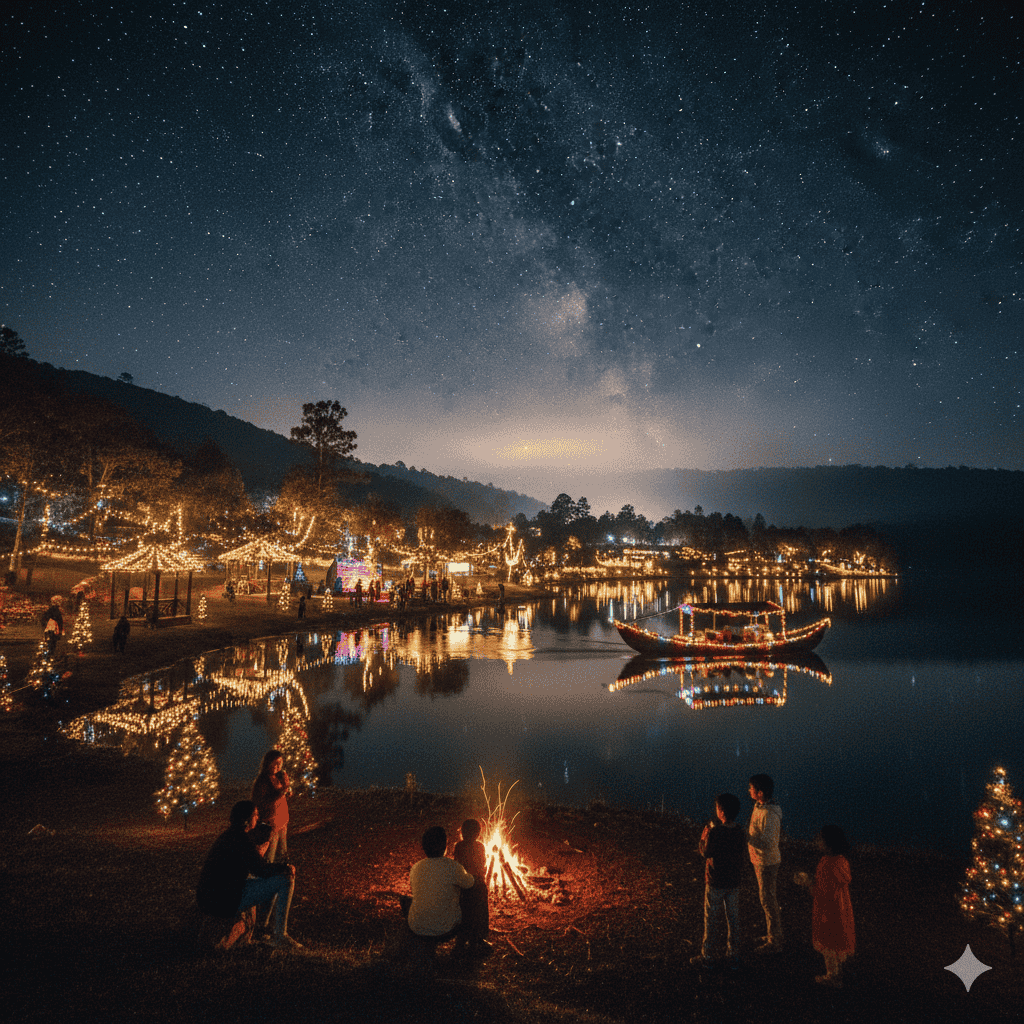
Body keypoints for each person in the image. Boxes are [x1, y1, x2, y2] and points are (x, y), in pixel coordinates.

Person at [196, 800, 300, 949]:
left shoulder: (230, 835)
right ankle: (280, 935)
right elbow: (261, 870)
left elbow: (254, 867)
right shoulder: (241, 839)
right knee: (285, 880)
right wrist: (285, 867)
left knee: (267, 881)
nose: (258, 818)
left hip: (214, 895)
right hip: (225, 899)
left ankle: (261, 928)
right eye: (255, 815)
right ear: (246, 818)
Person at [796, 825, 855, 987]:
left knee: (828, 944)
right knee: (837, 943)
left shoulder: (826, 864)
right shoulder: (842, 861)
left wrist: (806, 882)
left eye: (820, 839)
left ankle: (833, 977)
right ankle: (838, 973)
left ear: (828, 843)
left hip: (827, 912)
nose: (817, 841)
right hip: (841, 910)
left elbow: (821, 892)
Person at [691, 793, 746, 967]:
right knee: (733, 918)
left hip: (715, 882)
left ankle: (708, 956)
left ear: (721, 812)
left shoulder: (715, 832)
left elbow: (706, 852)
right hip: (734, 882)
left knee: (711, 918)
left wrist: (703, 837)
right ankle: (734, 954)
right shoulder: (739, 831)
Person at [403, 825, 475, 941]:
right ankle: (462, 945)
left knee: (406, 900)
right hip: (444, 929)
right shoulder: (453, 866)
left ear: (423, 847)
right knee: (469, 898)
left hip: (417, 928)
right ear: (445, 846)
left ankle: (415, 940)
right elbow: (470, 883)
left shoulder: (415, 867)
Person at [748, 773, 784, 952]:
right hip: (760, 861)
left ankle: (775, 941)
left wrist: (747, 838)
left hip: (766, 863)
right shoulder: (760, 806)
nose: (749, 791)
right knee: (767, 899)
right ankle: (772, 934)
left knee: (768, 900)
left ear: (760, 793)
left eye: (752, 788)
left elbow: (768, 843)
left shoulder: (770, 814)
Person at [452, 818, 490, 952]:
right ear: (478, 834)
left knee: (464, 913)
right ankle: (476, 940)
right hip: (476, 884)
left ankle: (461, 942)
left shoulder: (459, 846)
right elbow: (481, 866)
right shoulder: (480, 846)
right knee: (479, 913)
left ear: (462, 832)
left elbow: (457, 864)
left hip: (464, 884)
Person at [252, 750, 291, 865]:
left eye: (280, 763)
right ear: (268, 762)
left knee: (283, 849)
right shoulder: (263, 781)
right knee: (271, 852)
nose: (278, 766)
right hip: (271, 822)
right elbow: (262, 801)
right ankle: (266, 873)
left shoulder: (277, 777)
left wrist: (286, 790)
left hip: (282, 819)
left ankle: (285, 869)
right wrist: (282, 792)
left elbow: (281, 795)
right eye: (275, 762)